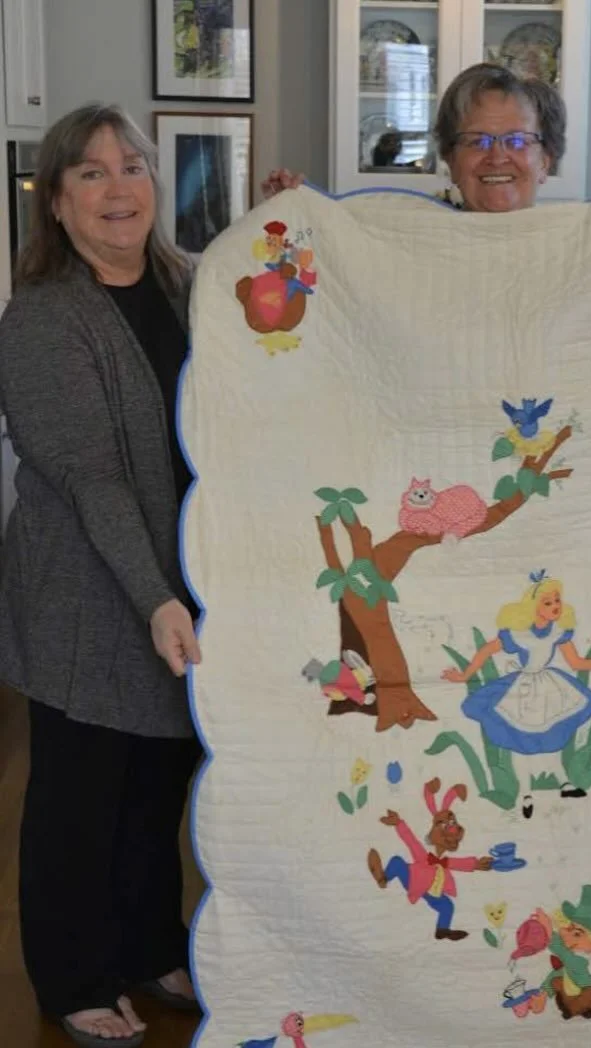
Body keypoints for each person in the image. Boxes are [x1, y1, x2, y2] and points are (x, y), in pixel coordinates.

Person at [0, 103, 203, 1047]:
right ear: (56, 201)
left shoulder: (190, 287)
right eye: (89, 173)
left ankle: (150, 944)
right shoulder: (43, 317)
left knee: (159, 784)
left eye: (132, 166)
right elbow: (89, 473)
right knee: (84, 798)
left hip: (179, 583)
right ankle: (74, 975)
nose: (117, 188)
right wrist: (155, 594)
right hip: (88, 595)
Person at [261, 62, 566, 213]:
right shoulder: (405, 240)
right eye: (477, 141)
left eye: (516, 141)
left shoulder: (580, 254)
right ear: (450, 159)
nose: (497, 157)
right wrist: (295, 217)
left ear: (546, 159)